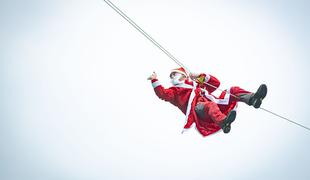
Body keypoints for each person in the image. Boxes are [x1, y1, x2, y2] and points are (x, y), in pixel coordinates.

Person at [148, 67, 267, 136]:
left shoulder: (197, 84)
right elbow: (162, 94)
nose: (172, 77)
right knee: (210, 105)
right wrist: (154, 80)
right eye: (171, 76)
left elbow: (216, 84)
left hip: (214, 106)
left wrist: (200, 76)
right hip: (199, 110)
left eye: (174, 74)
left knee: (232, 90)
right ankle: (224, 122)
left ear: (183, 75)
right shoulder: (175, 91)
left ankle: (253, 99)